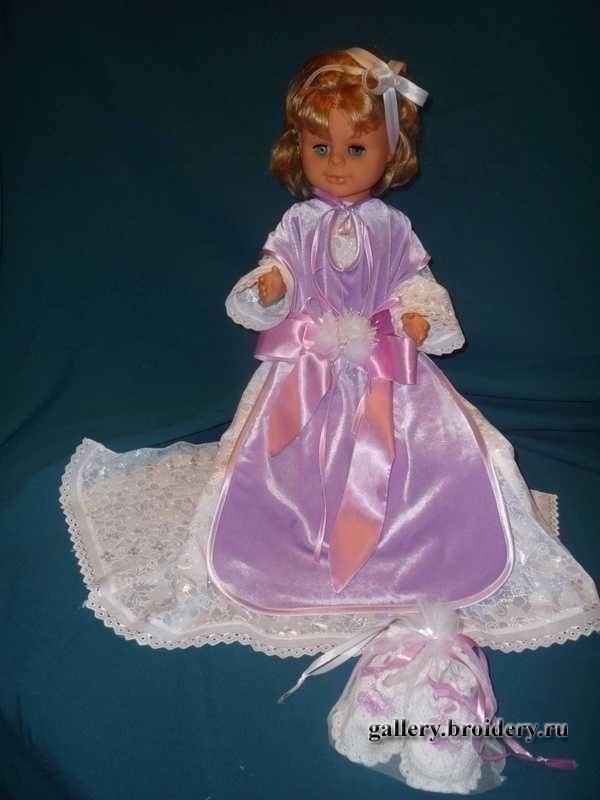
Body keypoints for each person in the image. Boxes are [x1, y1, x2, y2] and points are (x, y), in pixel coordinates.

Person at [59, 46, 599, 791]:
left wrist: (415, 318)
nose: (338, 165)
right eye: (322, 147)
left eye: (355, 148)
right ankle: (290, 553)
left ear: (389, 152)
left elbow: (416, 286)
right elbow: (273, 277)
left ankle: (417, 565)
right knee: (280, 468)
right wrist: (274, 285)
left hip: (387, 379)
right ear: (299, 148)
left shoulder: (392, 227)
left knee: (442, 460)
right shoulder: (298, 221)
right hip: (306, 378)